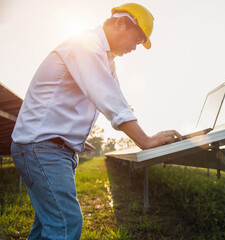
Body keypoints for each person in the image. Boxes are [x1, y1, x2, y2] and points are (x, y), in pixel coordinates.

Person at [11, 3, 182, 239]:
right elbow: (109, 98)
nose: (136, 46)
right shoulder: (86, 45)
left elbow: (118, 100)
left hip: (54, 149)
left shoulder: (107, 60)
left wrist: (148, 134)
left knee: (48, 227)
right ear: (121, 22)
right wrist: (145, 139)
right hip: (42, 146)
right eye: (138, 37)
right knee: (65, 224)